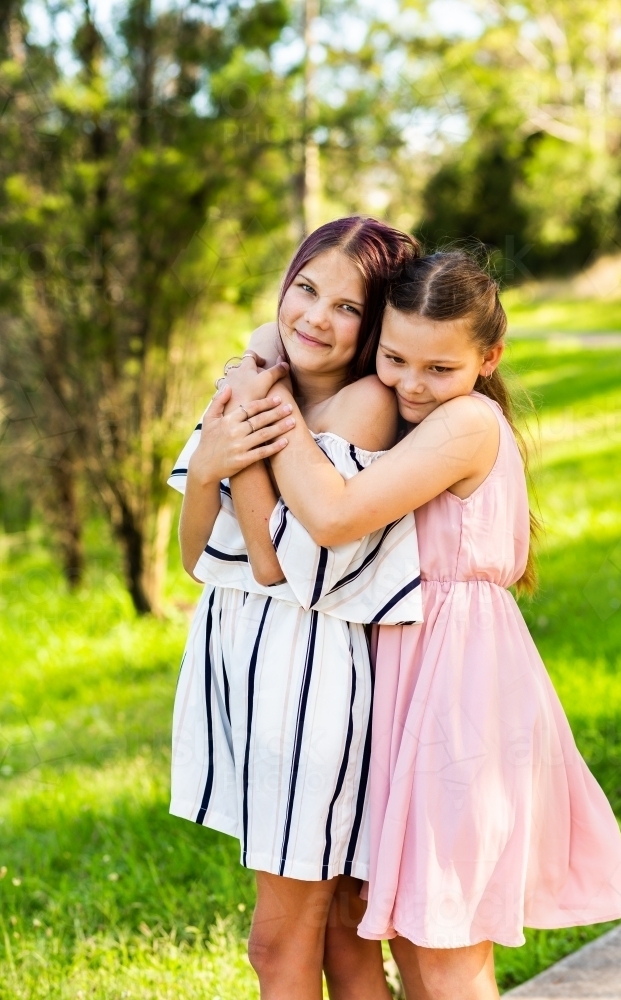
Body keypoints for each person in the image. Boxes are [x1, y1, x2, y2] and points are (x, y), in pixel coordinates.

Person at [224, 249, 621, 1000]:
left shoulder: (468, 426)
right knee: (396, 935)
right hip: (400, 680)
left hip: (457, 697)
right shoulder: (422, 411)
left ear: (488, 359)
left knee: (443, 951)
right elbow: (274, 333)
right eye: (394, 359)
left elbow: (333, 513)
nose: (411, 385)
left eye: (437, 369)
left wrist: (268, 407)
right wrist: (266, 350)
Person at [168, 217, 423, 1000]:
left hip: (303, 685)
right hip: (248, 672)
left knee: (276, 949)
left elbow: (284, 568)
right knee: (340, 942)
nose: (314, 316)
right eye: (305, 288)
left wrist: (244, 422)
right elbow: (192, 558)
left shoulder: (362, 409)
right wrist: (214, 461)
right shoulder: (255, 375)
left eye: (346, 307)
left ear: (376, 321)